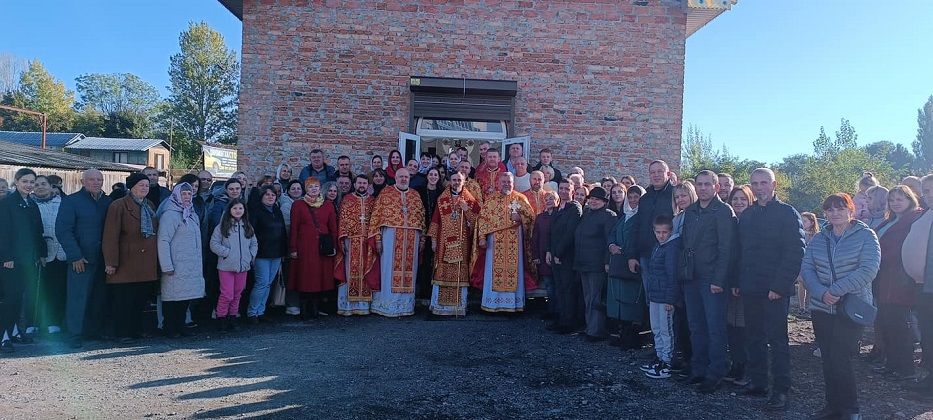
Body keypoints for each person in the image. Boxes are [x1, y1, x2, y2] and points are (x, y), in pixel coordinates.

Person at [801, 193, 880, 420]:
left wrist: (836, 290)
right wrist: (821, 292)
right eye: (830, 209)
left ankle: (850, 409)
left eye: (840, 208)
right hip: (822, 307)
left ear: (850, 210)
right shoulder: (819, 239)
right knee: (827, 357)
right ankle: (833, 406)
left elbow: (868, 269)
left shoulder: (866, 236)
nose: (835, 213)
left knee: (840, 357)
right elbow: (807, 267)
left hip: (850, 306)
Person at [736, 168, 805, 411]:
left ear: (774, 185)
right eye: (755, 183)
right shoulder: (748, 215)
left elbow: (795, 252)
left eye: (764, 182)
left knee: (777, 340)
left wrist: (779, 286)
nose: (759, 187)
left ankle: (781, 389)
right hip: (750, 287)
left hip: (774, 289)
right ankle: (758, 382)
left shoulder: (787, 213)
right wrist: (738, 282)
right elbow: (741, 252)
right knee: (753, 337)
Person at [679, 170, 738, 394]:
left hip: (712, 279)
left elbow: (727, 249)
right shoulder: (691, 210)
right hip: (691, 277)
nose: (703, 188)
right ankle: (699, 369)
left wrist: (719, 279)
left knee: (715, 328)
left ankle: (716, 373)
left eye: (707, 184)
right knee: (696, 326)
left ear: (716, 187)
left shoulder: (723, 211)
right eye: (699, 184)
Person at [55, 168, 112, 348]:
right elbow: (63, 231)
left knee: (98, 297)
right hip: (81, 259)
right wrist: (75, 256)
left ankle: (93, 331)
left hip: (103, 260)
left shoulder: (108, 202)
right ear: (82, 182)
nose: (96, 183)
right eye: (92, 180)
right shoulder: (72, 201)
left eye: (99, 180)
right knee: (77, 298)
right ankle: (73, 334)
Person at [872, 185, 923, 380]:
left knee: (899, 324)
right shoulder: (891, 220)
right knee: (887, 322)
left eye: (900, 199)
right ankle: (892, 363)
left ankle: (905, 369)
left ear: (910, 199)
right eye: (892, 200)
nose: (895, 203)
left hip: (900, 278)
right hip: (884, 277)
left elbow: (904, 248)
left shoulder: (914, 220)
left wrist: (877, 259)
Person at [102, 173, 160, 344]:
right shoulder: (118, 206)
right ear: (131, 187)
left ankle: (136, 330)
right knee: (124, 300)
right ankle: (121, 332)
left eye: (147, 185)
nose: (145, 188)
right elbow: (110, 236)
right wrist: (111, 262)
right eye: (141, 185)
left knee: (140, 299)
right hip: (126, 261)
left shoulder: (149, 205)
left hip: (145, 262)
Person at [471, 172, 535, 312]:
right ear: (498, 183)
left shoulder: (520, 198)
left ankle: (513, 305)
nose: (506, 184)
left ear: (513, 183)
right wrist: (482, 238)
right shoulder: (491, 199)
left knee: (514, 271)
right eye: (504, 182)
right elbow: (483, 220)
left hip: (515, 242)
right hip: (494, 243)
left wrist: (521, 218)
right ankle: (492, 303)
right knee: (493, 271)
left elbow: (531, 219)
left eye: (509, 182)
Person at [367, 169, 425, 317]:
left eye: (406, 177)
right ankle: (387, 305)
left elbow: (422, 218)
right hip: (390, 237)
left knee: (409, 271)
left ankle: (405, 306)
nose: (404, 179)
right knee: (388, 269)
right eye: (401, 176)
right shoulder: (386, 193)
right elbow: (376, 218)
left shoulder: (415, 195)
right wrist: (378, 240)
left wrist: (422, 239)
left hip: (412, 238)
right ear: (395, 178)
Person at [0, 168, 43, 353]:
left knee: (20, 298)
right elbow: (3, 232)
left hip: (28, 259)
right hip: (11, 260)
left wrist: (40, 254)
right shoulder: (6, 203)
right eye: (25, 181)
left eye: (32, 182)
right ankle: (3, 335)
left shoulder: (31, 203)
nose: (29, 185)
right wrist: (6, 257)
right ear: (16, 182)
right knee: (11, 298)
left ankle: (15, 331)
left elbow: (37, 231)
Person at [426, 172, 480, 317]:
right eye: (454, 180)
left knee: (460, 271)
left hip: (462, 243)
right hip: (444, 242)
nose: (456, 182)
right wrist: (433, 241)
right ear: (450, 181)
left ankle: (459, 306)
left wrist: (466, 209)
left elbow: (477, 222)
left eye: (459, 180)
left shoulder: (470, 199)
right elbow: (435, 221)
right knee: (441, 269)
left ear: (464, 181)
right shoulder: (442, 199)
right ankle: (439, 306)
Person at [157, 183, 204, 338]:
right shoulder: (170, 215)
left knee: (184, 297)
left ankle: (181, 324)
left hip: (190, 263)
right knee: (172, 297)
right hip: (175, 263)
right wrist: (166, 265)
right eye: (183, 194)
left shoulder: (191, 214)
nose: (187, 197)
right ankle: (169, 327)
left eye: (189, 194)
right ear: (176, 195)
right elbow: (163, 240)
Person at [289, 177, 338, 319]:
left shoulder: (327, 205)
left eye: (316, 186)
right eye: (310, 187)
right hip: (305, 247)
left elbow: (333, 228)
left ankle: (315, 308)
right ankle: (304, 309)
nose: (314, 189)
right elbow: (294, 228)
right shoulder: (298, 205)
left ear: (320, 188)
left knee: (319, 278)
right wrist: (293, 248)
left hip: (321, 248)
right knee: (305, 277)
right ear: (306, 189)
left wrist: (333, 246)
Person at [573, 186, 617, 341]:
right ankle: (589, 327)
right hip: (583, 262)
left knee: (595, 298)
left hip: (597, 264)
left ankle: (596, 331)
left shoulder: (609, 216)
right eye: (591, 198)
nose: (593, 201)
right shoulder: (587, 213)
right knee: (588, 297)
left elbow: (609, 240)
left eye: (597, 199)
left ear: (604, 201)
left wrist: (607, 261)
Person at [641, 215, 681, 379]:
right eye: (658, 232)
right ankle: (659, 357)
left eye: (664, 232)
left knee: (666, 330)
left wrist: (670, 299)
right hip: (655, 295)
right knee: (656, 328)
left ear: (670, 231)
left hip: (665, 298)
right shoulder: (657, 246)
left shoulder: (671, 248)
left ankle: (667, 362)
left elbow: (672, 276)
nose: (661, 235)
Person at [210, 199, 258, 332]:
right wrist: (227, 253)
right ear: (229, 210)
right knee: (227, 294)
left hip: (243, 266)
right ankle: (221, 318)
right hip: (226, 266)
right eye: (235, 208)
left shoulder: (247, 226)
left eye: (240, 208)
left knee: (237, 293)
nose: (238, 211)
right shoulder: (222, 226)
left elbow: (254, 243)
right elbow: (214, 244)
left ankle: (233, 317)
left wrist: (250, 255)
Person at [607, 185, 644, 348]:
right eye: (631, 197)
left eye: (636, 197)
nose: (633, 200)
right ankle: (622, 334)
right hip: (619, 263)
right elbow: (612, 234)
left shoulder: (642, 217)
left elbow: (638, 239)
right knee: (619, 300)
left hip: (633, 262)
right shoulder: (625, 216)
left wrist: (630, 253)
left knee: (633, 301)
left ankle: (632, 338)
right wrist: (612, 246)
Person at [725, 184, 754, 386]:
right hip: (731, 280)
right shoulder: (731, 221)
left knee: (745, 325)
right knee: (732, 324)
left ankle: (747, 367)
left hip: (747, 281)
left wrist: (739, 280)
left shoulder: (753, 223)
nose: (739, 202)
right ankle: (736, 363)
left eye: (743, 199)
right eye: (735, 199)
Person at [335, 175, 377, 316]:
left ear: (368, 185)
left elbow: (376, 220)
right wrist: (342, 240)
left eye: (364, 183)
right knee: (349, 271)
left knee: (366, 270)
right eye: (359, 182)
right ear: (355, 184)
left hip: (367, 241)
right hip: (351, 240)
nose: (362, 185)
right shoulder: (347, 199)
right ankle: (347, 307)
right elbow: (342, 220)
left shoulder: (372, 201)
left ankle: (363, 306)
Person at [628, 160, 675, 282]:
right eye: (652, 172)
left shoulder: (676, 195)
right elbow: (637, 226)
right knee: (649, 292)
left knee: (668, 291)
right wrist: (632, 255)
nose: (656, 175)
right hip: (646, 255)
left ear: (668, 174)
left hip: (668, 256)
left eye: (660, 171)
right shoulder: (645, 198)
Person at [31, 175, 67, 336]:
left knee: (57, 288)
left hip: (59, 251)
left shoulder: (62, 202)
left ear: (50, 186)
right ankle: (35, 322)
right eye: (36, 184)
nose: (40, 187)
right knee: (37, 289)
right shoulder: (30, 204)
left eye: (43, 184)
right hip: (38, 253)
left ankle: (54, 322)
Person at [247, 185, 287, 324]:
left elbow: (283, 232)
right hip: (262, 253)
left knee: (269, 283)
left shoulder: (277, 210)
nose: (270, 197)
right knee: (261, 283)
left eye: (273, 195)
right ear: (262, 196)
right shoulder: (256, 211)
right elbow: (251, 233)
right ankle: (252, 312)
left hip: (276, 253)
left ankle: (261, 311)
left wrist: (284, 251)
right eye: (267, 194)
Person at [547, 180, 583, 333]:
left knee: (568, 289)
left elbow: (570, 234)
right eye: (561, 188)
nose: (563, 191)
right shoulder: (557, 209)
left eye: (567, 189)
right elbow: (551, 232)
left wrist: (559, 253)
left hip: (566, 256)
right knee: (559, 288)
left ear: (572, 191)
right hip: (555, 254)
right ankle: (561, 319)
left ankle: (569, 323)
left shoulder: (574, 208)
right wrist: (549, 251)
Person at [532, 190, 560, 319]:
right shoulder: (540, 217)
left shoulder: (560, 215)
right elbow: (535, 237)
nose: (549, 201)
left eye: (551, 198)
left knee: (559, 284)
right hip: (543, 255)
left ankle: (559, 311)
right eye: (547, 199)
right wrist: (535, 255)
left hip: (558, 255)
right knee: (549, 284)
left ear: (557, 201)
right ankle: (551, 311)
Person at [417, 167, 443, 300]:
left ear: (439, 177)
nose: (433, 177)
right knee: (424, 261)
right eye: (431, 174)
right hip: (422, 229)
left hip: (438, 230)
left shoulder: (442, 192)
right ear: (427, 176)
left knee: (436, 260)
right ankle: (423, 290)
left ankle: (435, 291)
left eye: (436, 175)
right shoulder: (419, 191)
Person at [796, 211, 821, 312]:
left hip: (814, 264)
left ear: (812, 222)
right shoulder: (799, 233)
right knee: (801, 283)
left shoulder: (818, 236)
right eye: (801, 220)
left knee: (812, 284)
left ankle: (812, 306)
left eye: (805, 221)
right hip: (802, 262)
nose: (802, 223)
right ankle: (801, 307)